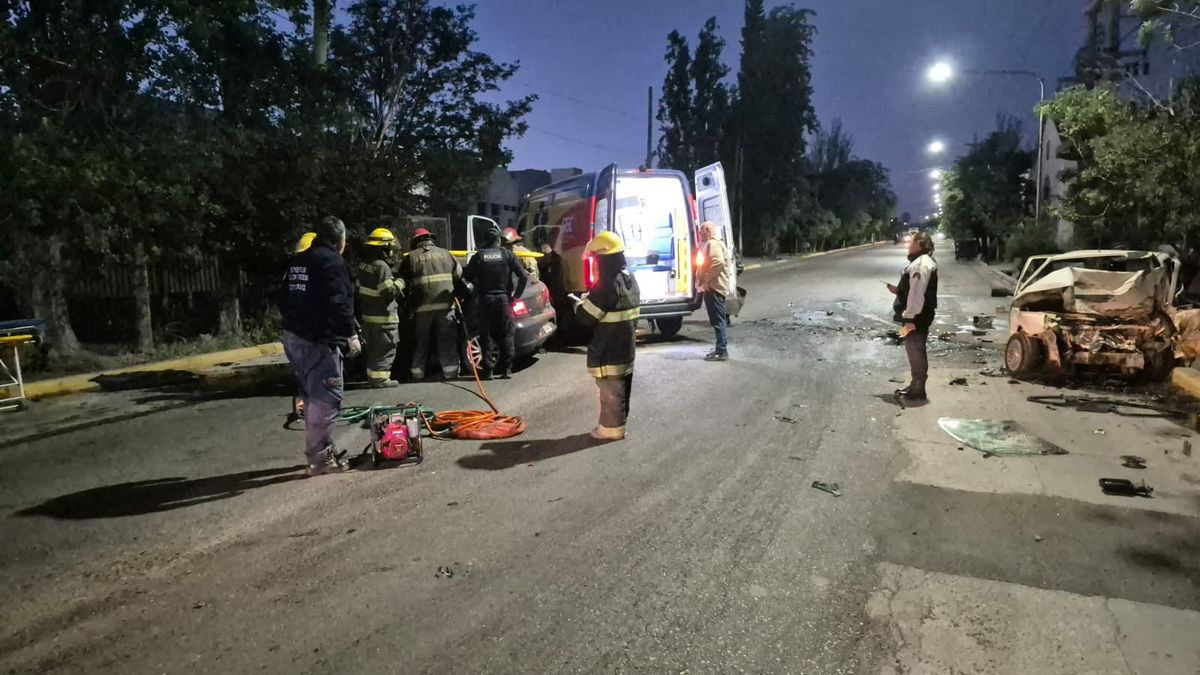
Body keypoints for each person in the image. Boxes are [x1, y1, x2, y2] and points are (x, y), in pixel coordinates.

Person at [281, 217, 360, 476]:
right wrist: (350, 335)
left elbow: (283, 298)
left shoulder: (299, 261)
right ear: (340, 240)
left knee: (311, 394)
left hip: (294, 337)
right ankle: (320, 458)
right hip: (317, 341)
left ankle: (321, 450)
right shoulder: (332, 262)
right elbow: (339, 303)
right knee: (326, 397)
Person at [573, 231, 640, 441]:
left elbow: (585, 318)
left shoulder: (608, 285)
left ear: (604, 258)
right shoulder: (629, 278)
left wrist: (579, 303)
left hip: (609, 350)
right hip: (625, 348)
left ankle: (610, 430)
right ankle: (620, 424)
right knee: (621, 390)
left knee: (611, 392)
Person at [465, 223, 528, 379]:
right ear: (498, 240)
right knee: (506, 334)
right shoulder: (507, 255)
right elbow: (523, 276)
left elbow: (466, 277)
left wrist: (474, 288)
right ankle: (507, 369)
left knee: (486, 335)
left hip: (485, 300)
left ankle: (488, 372)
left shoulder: (479, 256)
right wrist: (516, 296)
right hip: (503, 300)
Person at [399, 228, 463, 380]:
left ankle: (417, 374)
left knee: (421, 343)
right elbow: (459, 275)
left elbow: (403, 282)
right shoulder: (446, 254)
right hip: (445, 308)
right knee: (447, 341)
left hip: (422, 309)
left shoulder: (410, 258)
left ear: (415, 241)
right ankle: (451, 373)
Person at [887, 231, 938, 404]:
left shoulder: (921, 264)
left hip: (917, 316)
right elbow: (912, 289)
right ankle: (915, 385)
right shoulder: (920, 262)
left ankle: (918, 390)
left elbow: (917, 293)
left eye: (912, 242)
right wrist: (899, 290)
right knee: (914, 350)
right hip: (919, 314)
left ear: (920, 245)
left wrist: (909, 318)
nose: (909, 245)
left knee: (915, 351)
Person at [355, 227, 404, 388]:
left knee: (374, 350)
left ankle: (373, 377)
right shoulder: (381, 266)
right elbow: (387, 292)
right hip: (384, 318)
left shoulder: (363, 264)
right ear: (384, 248)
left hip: (369, 317)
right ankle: (381, 379)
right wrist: (400, 282)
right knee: (385, 349)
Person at [697, 221, 731, 361]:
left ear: (707, 230)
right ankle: (720, 347)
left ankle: (722, 351)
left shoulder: (713, 244)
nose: (699, 234)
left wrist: (705, 278)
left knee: (718, 320)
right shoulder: (715, 243)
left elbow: (718, 263)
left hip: (715, 287)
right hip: (715, 287)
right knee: (718, 319)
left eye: (701, 231)